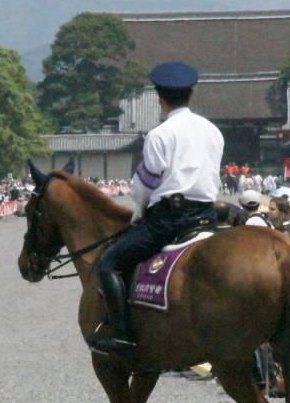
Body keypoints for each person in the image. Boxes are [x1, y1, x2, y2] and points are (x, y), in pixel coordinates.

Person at [89, 61, 223, 356]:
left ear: (159, 98)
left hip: (170, 218)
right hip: (207, 215)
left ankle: (123, 336)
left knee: (109, 262)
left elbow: (146, 185)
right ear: (191, 93)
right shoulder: (213, 131)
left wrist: (139, 207)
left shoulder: (160, 135)